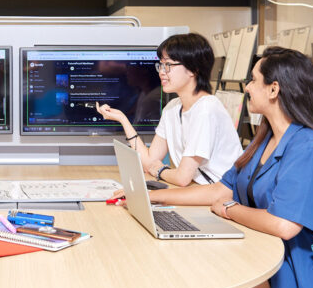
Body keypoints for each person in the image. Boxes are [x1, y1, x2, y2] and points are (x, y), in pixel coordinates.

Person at [149, 47, 313, 288]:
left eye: (253, 80)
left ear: (274, 89)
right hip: (264, 249)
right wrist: (155, 196)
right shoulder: (267, 137)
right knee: (178, 263)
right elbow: (220, 189)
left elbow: (285, 226)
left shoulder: (309, 146)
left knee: (181, 283)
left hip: (297, 268)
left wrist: (229, 210)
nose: (246, 87)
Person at [97, 32, 242, 187]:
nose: (161, 72)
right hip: (201, 190)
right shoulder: (172, 108)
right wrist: (122, 119)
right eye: (160, 65)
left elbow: (182, 178)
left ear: (194, 69)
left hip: (224, 195)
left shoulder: (206, 109)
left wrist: (160, 170)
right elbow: (149, 161)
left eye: (169, 65)